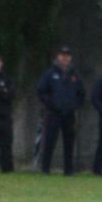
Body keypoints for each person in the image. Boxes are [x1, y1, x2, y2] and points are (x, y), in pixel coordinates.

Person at [35, 46, 85, 175]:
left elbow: (82, 93)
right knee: (50, 142)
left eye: (67, 55)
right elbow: (41, 91)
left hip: (69, 114)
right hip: (53, 114)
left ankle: (68, 170)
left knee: (69, 143)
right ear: (58, 56)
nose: (65, 57)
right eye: (62, 55)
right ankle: (45, 169)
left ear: (70, 57)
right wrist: (50, 103)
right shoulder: (50, 73)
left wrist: (75, 105)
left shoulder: (75, 74)